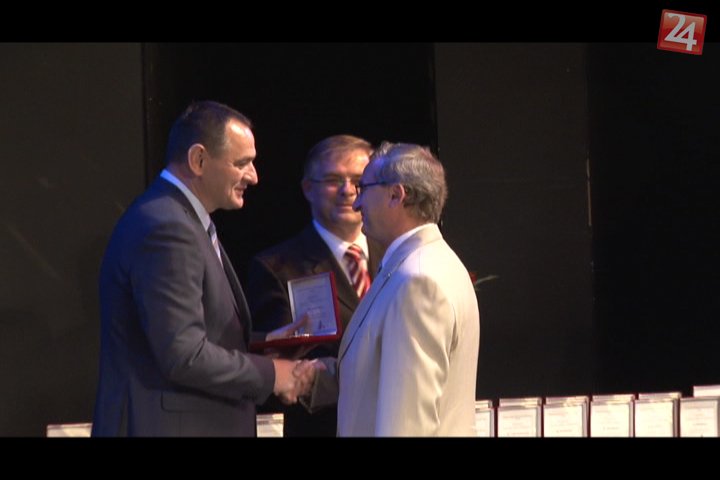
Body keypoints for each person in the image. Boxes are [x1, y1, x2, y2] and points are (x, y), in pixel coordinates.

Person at [91, 100, 307, 437]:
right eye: (242, 163)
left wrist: (264, 343)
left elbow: (192, 331)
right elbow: (183, 354)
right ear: (199, 160)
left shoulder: (180, 219)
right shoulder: (167, 228)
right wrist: (273, 374)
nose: (254, 176)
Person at [299, 141, 480, 436]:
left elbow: (408, 422)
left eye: (363, 188)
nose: (357, 203)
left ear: (396, 195)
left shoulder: (418, 280)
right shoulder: (425, 263)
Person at [246, 134, 382, 436]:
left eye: (358, 180)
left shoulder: (399, 258)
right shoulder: (276, 267)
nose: (348, 191)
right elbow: (280, 365)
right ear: (308, 188)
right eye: (334, 180)